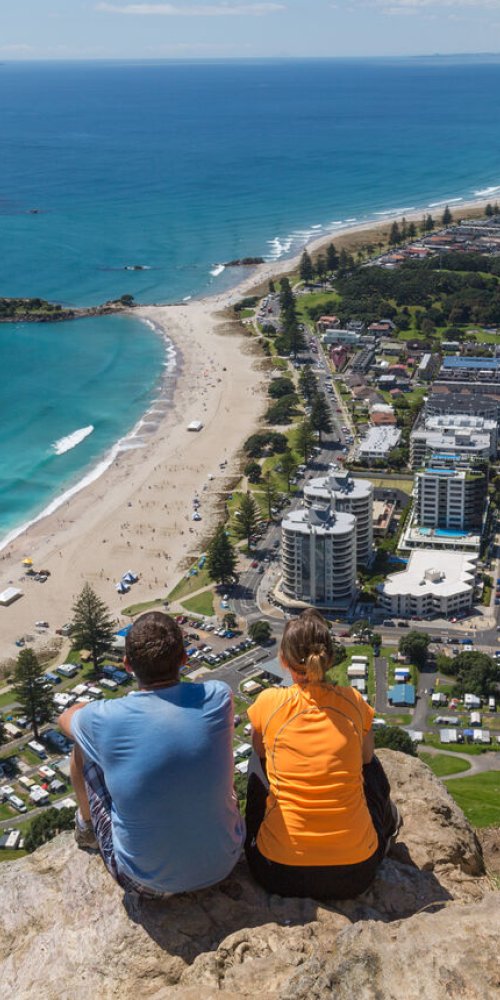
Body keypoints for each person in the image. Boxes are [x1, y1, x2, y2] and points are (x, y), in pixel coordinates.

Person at [58, 611, 244, 899]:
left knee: (82, 747)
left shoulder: (105, 719)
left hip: (147, 883)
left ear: (127, 664)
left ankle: (87, 828)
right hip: (224, 862)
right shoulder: (218, 697)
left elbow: (65, 719)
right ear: (184, 659)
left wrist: (95, 707)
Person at [245, 608, 401, 900]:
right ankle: (388, 823)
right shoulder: (352, 701)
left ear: (283, 661)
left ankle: (258, 833)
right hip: (356, 873)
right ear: (329, 658)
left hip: (277, 872)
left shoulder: (269, 702)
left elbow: (260, 751)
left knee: (257, 758)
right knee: (370, 765)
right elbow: (367, 759)